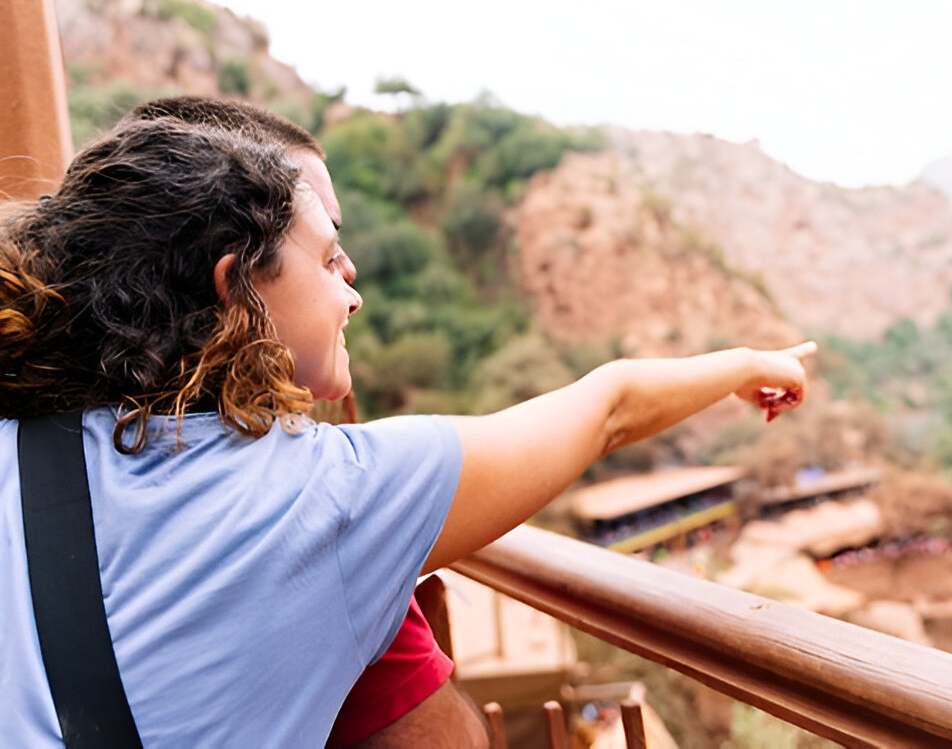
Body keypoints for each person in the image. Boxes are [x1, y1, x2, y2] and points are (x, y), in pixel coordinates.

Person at [0, 100, 814, 747]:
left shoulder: (17, 443)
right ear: (235, 287)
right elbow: (606, 411)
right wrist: (745, 365)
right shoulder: (322, 495)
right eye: (324, 261)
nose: (352, 292)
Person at [122, 96, 467, 748]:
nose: (349, 275)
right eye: (319, 240)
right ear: (237, 276)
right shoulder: (301, 502)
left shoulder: (69, 451)